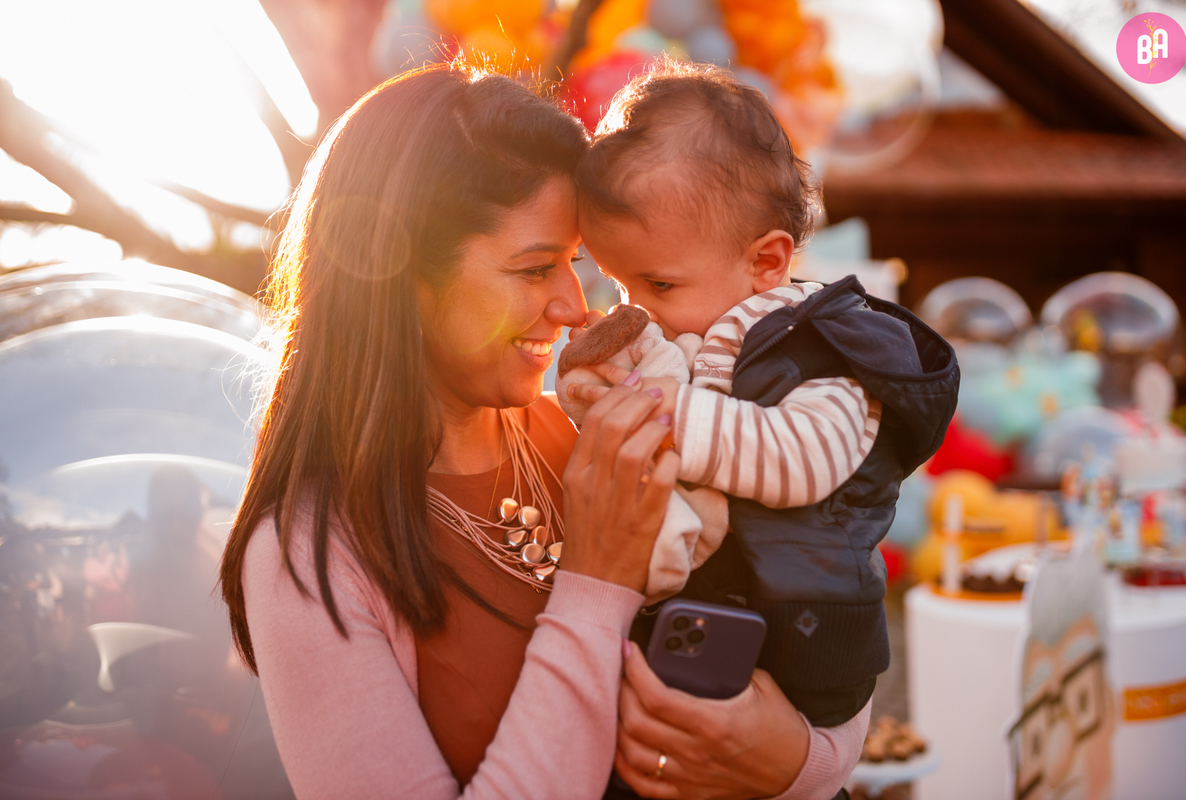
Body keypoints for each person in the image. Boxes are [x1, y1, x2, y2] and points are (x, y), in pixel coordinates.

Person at [219, 63, 868, 800]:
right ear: (396, 276)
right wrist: (596, 584)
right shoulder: (313, 553)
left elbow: (827, 604)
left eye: (574, 263)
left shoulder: (597, 427)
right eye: (532, 271)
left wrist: (793, 762)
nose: (570, 305)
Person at [567, 60, 958, 738]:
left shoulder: (827, 346)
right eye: (621, 287)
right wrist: (601, 400)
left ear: (766, 262)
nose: (640, 310)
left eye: (658, 286)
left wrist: (662, 410)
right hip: (707, 625)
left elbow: (803, 458)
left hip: (806, 639)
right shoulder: (689, 337)